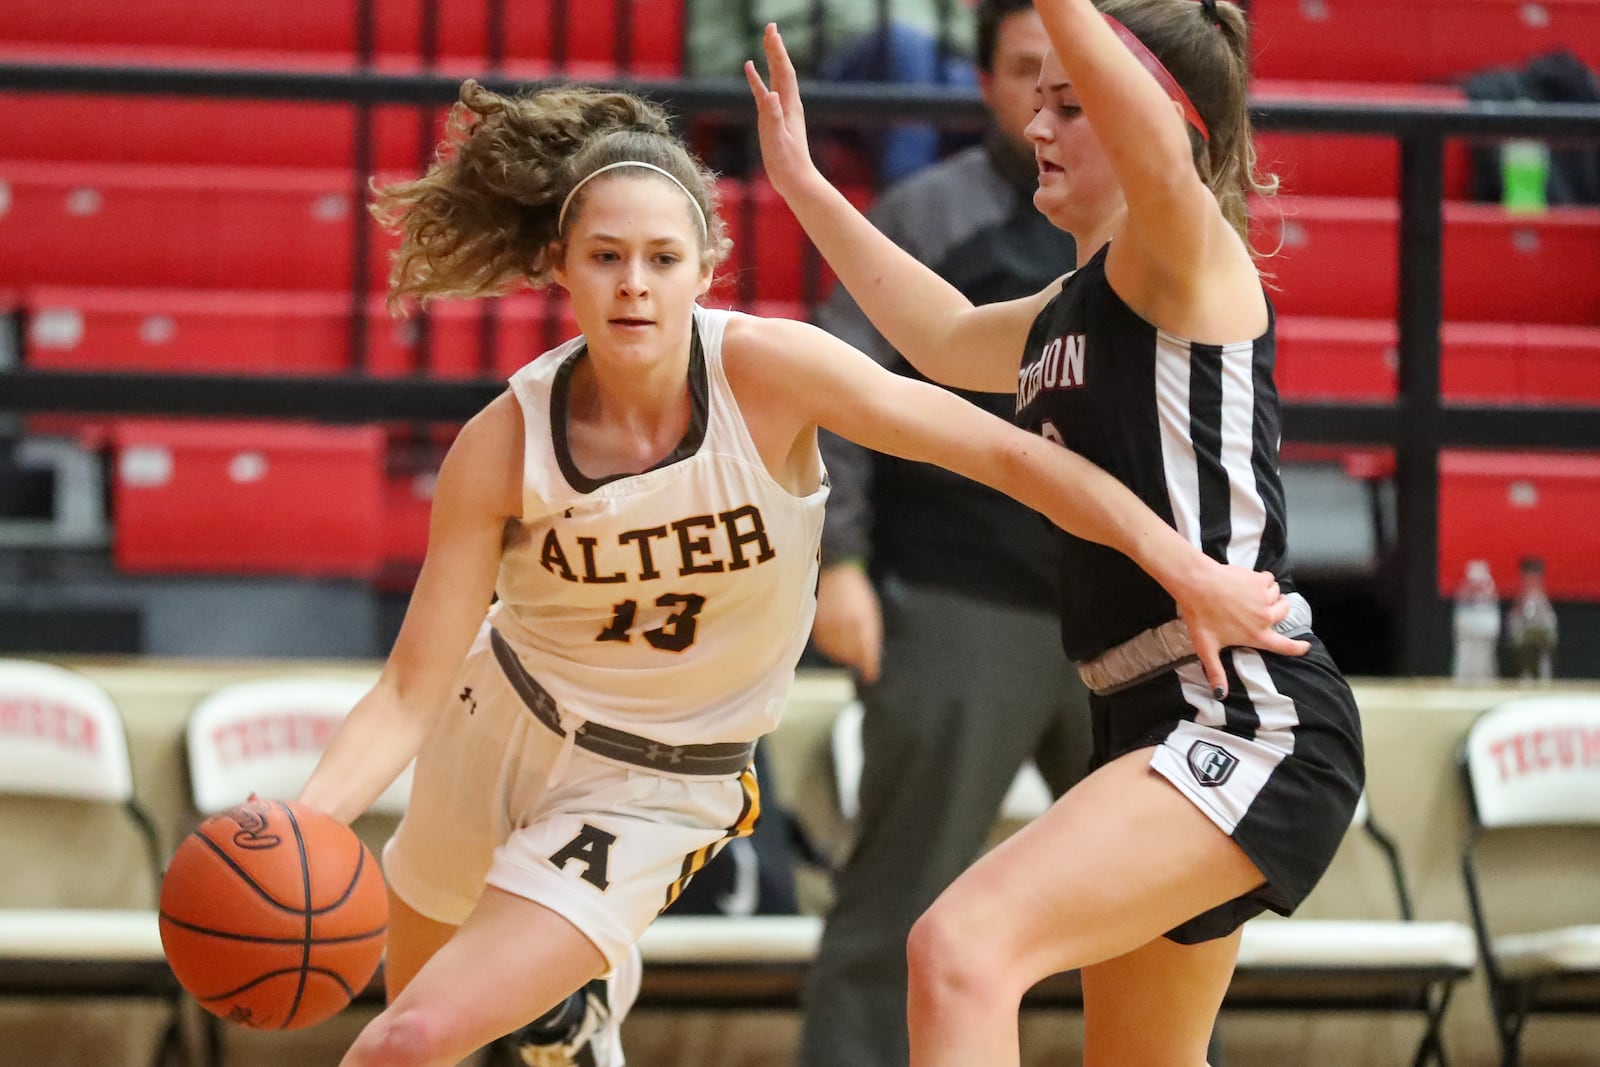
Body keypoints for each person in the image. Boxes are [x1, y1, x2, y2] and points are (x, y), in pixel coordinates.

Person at [294, 72, 1298, 1067]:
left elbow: (1011, 454)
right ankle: (560, 1022)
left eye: (659, 256)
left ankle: (559, 1007)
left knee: (409, 1040)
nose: (633, 283)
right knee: (417, 1027)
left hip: (651, 776)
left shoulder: (771, 372)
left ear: (706, 266)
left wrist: (1183, 565)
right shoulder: (502, 440)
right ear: (562, 264)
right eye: (605, 257)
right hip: (496, 719)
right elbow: (409, 689)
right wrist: (303, 822)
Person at [745, 0, 1366, 1062]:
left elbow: (1152, 135)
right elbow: (935, 336)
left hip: (1244, 711)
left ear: (1155, 127)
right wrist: (804, 184)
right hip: (1136, 711)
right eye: (1036, 105)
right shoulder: (1066, 309)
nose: (1038, 128)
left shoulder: (1185, 258)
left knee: (958, 945)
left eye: (1070, 106)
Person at [797, 3, 1089, 1065]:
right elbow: (837, 394)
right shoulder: (927, 216)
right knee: (898, 909)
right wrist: (841, 564)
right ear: (983, 85)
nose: (1048, 102)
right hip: (960, 609)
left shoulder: (1149, 229)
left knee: (1166, 917)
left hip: (1122, 615)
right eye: (1024, 73)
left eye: (1072, 80)